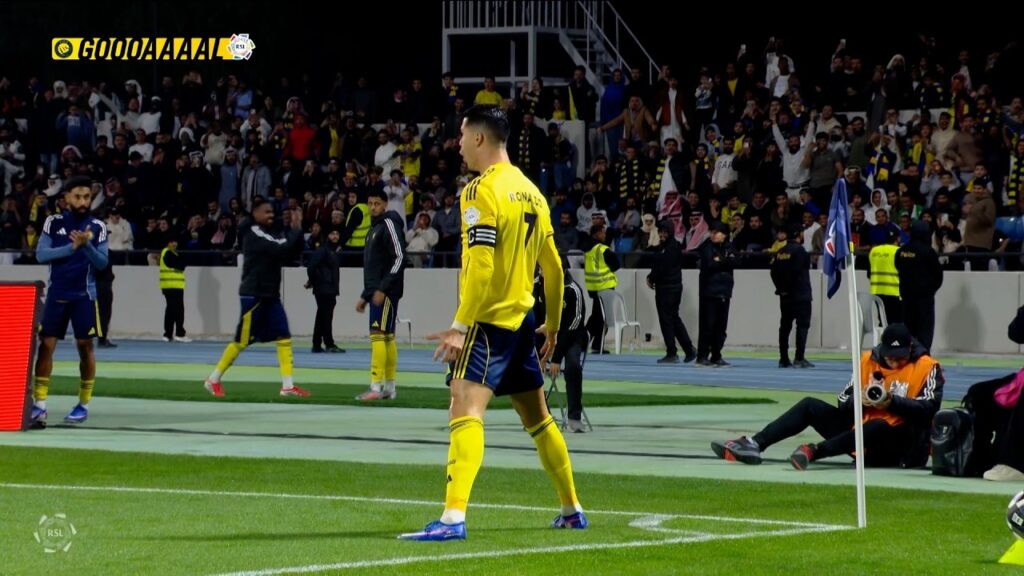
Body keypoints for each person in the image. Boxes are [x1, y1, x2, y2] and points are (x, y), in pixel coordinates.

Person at [399, 106, 585, 541]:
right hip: (523, 321)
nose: (458, 145)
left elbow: (481, 267)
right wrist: (552, 325)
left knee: (464, 407)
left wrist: (460, 326)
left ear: (479, 138)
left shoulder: (480, 191)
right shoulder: (532, 192)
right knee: (539, 418)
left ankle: (452, 518)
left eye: (462, 136)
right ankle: (571, 509)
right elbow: (553, 268)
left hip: (487, 322)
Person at [712, 324, 943, 470]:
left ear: (910, 349)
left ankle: (814, 451)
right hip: (858, 433)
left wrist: (891, 402)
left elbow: (929, 410)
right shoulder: (867, 361)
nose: (893, 361)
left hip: (899, 446)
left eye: (899, 357)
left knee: (878, 426)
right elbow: (842, 400)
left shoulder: (927, 367)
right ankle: (755, 444)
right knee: (810, 405)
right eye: (889, 356)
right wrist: (859, 401)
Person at [203, 200, 310, 398]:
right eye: (266, 212)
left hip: (269, 294)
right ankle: (213, 379)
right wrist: (295, 230)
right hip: (255, 294)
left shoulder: (270, 232)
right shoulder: (253, 231)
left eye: (272, 212)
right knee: (241, 340)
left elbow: (291, 250)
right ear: (255, 213)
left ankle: (287, 386)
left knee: (283, 335)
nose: (271, 215)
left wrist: (297, 229)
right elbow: (281, 248)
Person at [32, 176, 109, 424]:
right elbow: (41, 255)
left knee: (85, 347)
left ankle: (83, 405)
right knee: (45, 346)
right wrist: (72, 248)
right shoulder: (53, 222)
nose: (83, 201)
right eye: (77, 196)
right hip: (57, 295)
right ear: (66, 198)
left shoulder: (97, 226)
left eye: (87, 196)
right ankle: (39, 404)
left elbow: (102, 263)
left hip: (85, 296)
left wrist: (86, 246)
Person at [355, 188, 408, 401]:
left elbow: (399, 257)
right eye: (370, 203)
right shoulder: (373, 229)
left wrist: (382, 289)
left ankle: (376, 387)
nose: (373, 207)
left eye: (377, 203)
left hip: (386, 292)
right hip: (378, 291)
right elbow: (374, 267)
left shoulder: (388, 224)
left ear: (385, 204)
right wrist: (365, 295)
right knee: (386, 337)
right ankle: (389, 388)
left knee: (378, 335)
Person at [534, 258, 589, 432]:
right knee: (529, 367)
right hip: (544, 335)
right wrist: (539, 355)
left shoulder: (573, 290)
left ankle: (574, 417)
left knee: (573, 367)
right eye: (541, 270)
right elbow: (533, 319)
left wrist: (556, 357)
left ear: (561, 271)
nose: (543, 274)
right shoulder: (536, 285)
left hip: (571, 338)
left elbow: (573, 327)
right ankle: (542, 416)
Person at [647, 220, 696, 364]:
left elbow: (662, 267)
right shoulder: (669, 246)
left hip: (667, 289)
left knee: (667, 321)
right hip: (670, 288)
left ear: (670, 232)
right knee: (673, 319)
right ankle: (689, 349)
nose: (662, 234)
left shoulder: (670, 248)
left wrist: (651, 278)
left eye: (665, 232)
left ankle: (672, 353)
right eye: (660, 231)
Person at [895, 220, 943, 351]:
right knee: (924, 331)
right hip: (924, 299)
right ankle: (923, 357)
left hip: (906, 298)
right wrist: (930, 290)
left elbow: (898, 268)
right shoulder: (928, 252)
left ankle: (908, 356)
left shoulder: (902, 251)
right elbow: (938, 276)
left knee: (908, 329)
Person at [770, 225, 814, 368]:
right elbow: (796, 271)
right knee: (802, 325)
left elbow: (773, 272)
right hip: (800, 294)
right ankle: (799, 358)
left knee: (785, 326)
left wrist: (781, 289)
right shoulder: (800, 251)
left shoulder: (780, 252)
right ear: (799, 235)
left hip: (785, 296)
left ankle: (783, 358)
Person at [696, 221, 736, 367]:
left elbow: (736, 261)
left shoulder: (729, 247)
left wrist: (720, 260)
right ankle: (702, 356)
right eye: (711, 232)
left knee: (721, 328)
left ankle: (716, 355)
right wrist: (726, 261)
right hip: (709, 292)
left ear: (724, 235)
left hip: (725, 292)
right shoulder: (706, 247)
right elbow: (709, 264)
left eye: (716, 232)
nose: (713, 234)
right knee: (707, 326)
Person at [305, 229, 344, 354]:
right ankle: (329, 343)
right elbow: (311, 266)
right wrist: (314, 280)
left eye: (337, 233)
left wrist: (313, 281)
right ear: (327, 235)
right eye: (332, 233)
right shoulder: (324, 250)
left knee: (322, 316)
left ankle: (317, 344)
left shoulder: (331, 250)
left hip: (327, 288)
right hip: (325, 288)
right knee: (326, 316)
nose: (335, 236)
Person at [584, 223, 620, 354]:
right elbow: (616, 265)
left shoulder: (588, 249)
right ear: (597, 233)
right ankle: (591, 344)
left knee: (596, 317)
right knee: (602, 318)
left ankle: (586, 343)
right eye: (603, 232)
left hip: (593, 288)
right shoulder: (603, 249)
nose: (605, 234)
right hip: (605, 287)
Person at [159, 237, 191, 343]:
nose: (174, 244)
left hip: (170, 285)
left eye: (175, 242)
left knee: (171, 310)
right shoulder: (168, 253)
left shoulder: (170, 253)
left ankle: (168, 334)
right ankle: (179, 334)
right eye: (172, 242)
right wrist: (182, 261)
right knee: (178, 310)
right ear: (168, 243)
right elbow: (180, 265)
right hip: (173, 285)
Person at [95, 259, 116, 348]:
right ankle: (102, 339)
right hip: (103, 285)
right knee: (104, 313)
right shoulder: (104, 256)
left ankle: (101, 337)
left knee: (101, 313)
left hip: (96, 285)